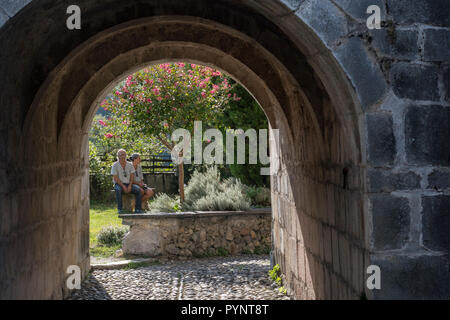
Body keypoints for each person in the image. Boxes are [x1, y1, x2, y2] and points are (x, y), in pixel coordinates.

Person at [111, 149, 144, 214]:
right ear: (118, 156)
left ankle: (137, 209)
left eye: (124, 154)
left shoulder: (129, 165)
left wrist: (129, 186)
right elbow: (115, 178)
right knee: (118, 190)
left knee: (138, 190)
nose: (123, 156)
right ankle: (120, 209)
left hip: (129, 184)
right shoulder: (115, 165)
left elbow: (132, 176)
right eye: (121, 155)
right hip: (119, 184)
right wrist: (123, 186)